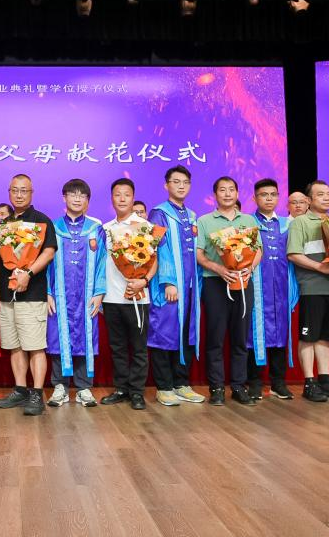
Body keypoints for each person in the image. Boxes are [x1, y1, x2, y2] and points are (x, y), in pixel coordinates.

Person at [0, 174, 58, 416]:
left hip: (32, 293)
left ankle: (37, 394)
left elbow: (49, 252)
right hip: (7, 294)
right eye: (15, 190)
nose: (19, 195)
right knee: (14, 345)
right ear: (9, 192)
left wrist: (28, 273)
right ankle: (20, 390)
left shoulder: (41, 221)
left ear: (31, 193)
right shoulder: (3, 224)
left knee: (35, 346)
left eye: (24, 190)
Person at [195, 176, 261, 406]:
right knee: (215, 337)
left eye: (231, 189)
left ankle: (238, 386)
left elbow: (258, 250)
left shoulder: (249, 219)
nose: (227, 194)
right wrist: (219, 269)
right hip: (215, 283)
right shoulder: (204, 221)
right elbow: (199, 254)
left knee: (240, 337)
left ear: (237, 193)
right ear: (215, 195)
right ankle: (216, 388)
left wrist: (250, 268)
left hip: (243, 283)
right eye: (222, 190)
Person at [285, 180, 329, 403]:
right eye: (320, 194)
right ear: (309, 200)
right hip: (312, 287)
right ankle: (309, 382)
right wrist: (320, 267)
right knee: (309, 336)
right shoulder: (300, 222)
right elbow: (293, 254)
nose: (326, 198)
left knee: (325, 337)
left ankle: (325, 380)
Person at [43, 179, 106, 409]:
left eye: (82, 195)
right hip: (59, 294)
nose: (77, 198)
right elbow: (45, 263)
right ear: (64, 197)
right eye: (73, 194)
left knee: (85, 336)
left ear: (88, 200)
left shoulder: (96, 229)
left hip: (87, 294)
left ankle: (83, 388)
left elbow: (103, 262)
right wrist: (47, 292)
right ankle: (59, 386)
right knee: (58, 337)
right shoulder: (53, 227)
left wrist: (99, 292)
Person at [148, 166, 205, 406]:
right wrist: (169, 281)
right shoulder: (159, 213)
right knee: (164, 333)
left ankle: (182, 383)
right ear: (166, 185)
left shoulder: (191, 215)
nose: (181, 186)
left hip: (190, 287)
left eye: (185, 182)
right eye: (176, 181)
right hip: (168, 288)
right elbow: (158, 248)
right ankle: (164, 386)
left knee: (186, 333)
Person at [100, 179, 154, 410]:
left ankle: (137, 392)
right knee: (118, 347)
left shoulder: (145, 227)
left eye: (126, 194)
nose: (122, 199)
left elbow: (154, 260)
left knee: (139, 348)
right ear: (112, 198)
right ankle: (121, 388)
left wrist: (144, 281)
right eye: (117, 194)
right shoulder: (105, 228)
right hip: (111, 298)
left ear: (133, 198)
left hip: (137, 297)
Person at [248, 179, 298, 401]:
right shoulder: (247, 223)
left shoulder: (288, 224)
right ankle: (254, 383)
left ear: (278, 197)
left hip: (282, 287)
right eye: (263, 194)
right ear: (255, 198)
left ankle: (278, 383)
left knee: (280, 334)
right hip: (257, 288)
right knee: (254, 334)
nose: (269, 198)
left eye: (273, 194)